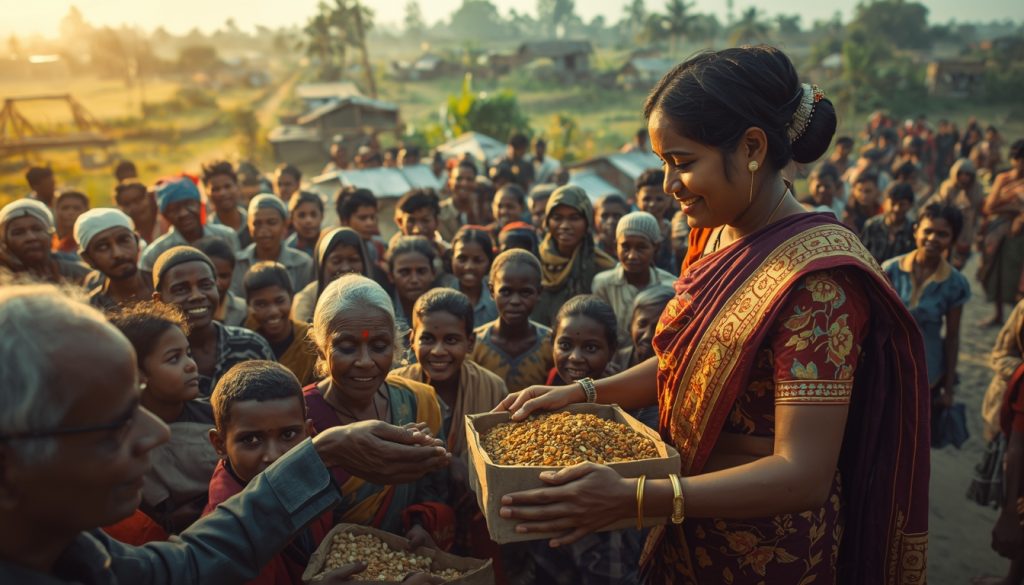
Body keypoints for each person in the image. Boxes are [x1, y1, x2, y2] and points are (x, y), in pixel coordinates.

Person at [495, 47, 929, 585]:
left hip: (767, 551)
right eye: (662, 164)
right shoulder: (714, 232)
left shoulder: (819, 285)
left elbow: (804, 474)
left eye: (682, 162)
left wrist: (634, 497)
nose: (668, 185)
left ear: (751, 147)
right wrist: (585, 393)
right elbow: (692, 364)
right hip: (684, 520)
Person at [0, 281, 450, 584]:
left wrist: (323, 451)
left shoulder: (79, 549)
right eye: (117, 421)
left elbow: (193, 564)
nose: (156, 433)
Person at [303, 275, 453, 549]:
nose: (364, 361)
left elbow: (436, 484)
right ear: (322, 348)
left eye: (379, 346)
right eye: (347, 347)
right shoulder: (300, 417)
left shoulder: (418, 401)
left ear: (395, 346)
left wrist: (422, 523)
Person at [536, 294, 642, 584]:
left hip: (609, 528)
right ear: (552, 343)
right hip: (555, 524)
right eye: (566, 345)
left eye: (591, 348)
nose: (576, 358)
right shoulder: (547, 390)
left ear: (612, 351)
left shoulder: (625, 399)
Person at [203, 360, 333, 585]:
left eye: (289, 435)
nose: (273, 456)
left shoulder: (310, 474)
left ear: (309, 432)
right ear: (220, 445)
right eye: (251, 440)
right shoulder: (226, 537)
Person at [108, 301, 217, 534]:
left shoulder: (214, 417)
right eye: (173, 359)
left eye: (188, 354)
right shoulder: (124, 443)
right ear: (137, 373)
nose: (190, 365)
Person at [883, 204, 970, 424]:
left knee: (914, 435)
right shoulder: (891, 269)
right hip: (887, 366)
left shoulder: (955, 283)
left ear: (952, 239)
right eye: (928, 231)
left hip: (927, 372)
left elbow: (952, 337)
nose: (932, 238)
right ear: (916, 231)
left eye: (942, 234)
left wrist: (948, 388)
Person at [152, 246, 275, 397]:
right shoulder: (154, 358)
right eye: (181, 289)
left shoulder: (252, 346)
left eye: (205, 285)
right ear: (159, 301)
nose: (197, 296)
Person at [471, 249, 554, 393]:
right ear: (492, 291)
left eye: (525, 292)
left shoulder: (552, 344)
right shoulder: (473, 344)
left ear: (539, 292)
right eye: (506, 292)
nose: (515, 301)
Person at [533, 185, 617, 326]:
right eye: (557, 218)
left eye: (574, 218)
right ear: (547, 221)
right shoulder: (533, 262)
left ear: (587, 222)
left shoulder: (604, 268)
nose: (565, 225)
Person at [592, 211, 676, 345]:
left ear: (656, 247)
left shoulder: (670, 286)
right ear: (615, 247)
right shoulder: (603, 284)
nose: (632, 256)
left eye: (641, 247)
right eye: (625, 247)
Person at [139, 177, 240, 277]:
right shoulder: (154, 254)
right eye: (174, 209)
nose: (183, 213)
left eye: (189, 204)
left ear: (199, 204)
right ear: (165, 215)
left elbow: (236, 278)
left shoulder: (227, 236)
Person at [243, 262, 318, 386]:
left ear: (291, 297)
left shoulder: (310, 340)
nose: (273, 311)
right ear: (249, 305)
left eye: (279, 301)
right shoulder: (243, 342)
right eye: (262, 304)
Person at [230, 194, 314, 297]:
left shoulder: (302, 264)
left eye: (272, 222)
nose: (264, 230)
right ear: (249, 226)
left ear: (285, 225)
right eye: (257, 223)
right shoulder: (238, 263)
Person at [979, 140, 1024, 326]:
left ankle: (1017, 319)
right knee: (993, 270)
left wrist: (1018, 215)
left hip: (1019, 235)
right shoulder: (1003, 178)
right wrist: (1015, 208)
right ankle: (998, 315)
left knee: (1016, 274)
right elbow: (990, 207)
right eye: (1017, 158)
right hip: (997, 231)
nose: (1019, 163)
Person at [74, 208, 152, 310]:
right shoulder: (91, 309)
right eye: (102, 247)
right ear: (88, 259)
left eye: (124, 240)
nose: (117, 253)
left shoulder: (168, 286)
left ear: (137, 242)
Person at [0, 199, 90, 285]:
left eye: (37, 229)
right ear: (4, 241)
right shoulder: (3, 280)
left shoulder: (81, 275)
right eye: (18, 232)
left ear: (51, 235)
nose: (31, 237)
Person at [291, 227, 370, 324]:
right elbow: (302, 335)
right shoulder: (307, 299)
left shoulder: (375, 295)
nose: (345, 268)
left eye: (353, 260)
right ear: (323, 264)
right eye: (336, 261)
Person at [926, 157, 985, 269]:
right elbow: (941, 204)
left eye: (967, 174)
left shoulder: (976, 189)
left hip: (966, 226)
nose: (964, 177)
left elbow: (978, 209)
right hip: (949, 223)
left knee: (959, 259)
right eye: (961, 173)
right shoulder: (948, 186)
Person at [610, 284, 675, 384]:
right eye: (642, 324)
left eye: (658, 327)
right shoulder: (614, 360)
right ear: (630, 325)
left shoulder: (674, 370)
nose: (647, 335)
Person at [387, 236, 443, 336]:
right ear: (391, 276)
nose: (414, 280)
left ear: (433, 273)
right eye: (404, 272)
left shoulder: (445, 311)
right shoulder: (383, 311)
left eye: (421, 271)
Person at [194, 237, 248, 327]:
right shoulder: (184, 310)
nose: (217, 283)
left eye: (224, 276)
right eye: (210, 276)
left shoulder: (243, 311)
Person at [451, 227, 498, 328]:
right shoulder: (439, 295)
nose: (469, 267)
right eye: (462, 259)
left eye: (478, 260)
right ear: (452, 258)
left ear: (489, 262)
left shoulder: (498, 299)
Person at [859, 183, 917, 264]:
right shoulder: (872, 225)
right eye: (893, 203)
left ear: (910, 205)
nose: (896, 209)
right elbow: (861, 254)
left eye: (902, 204)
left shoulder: (914, 230)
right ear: (885, 202)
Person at [336, 187, 386, 274]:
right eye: (363, 218)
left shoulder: (378, 248)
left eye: (372, 217)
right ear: (345, 221)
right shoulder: (334, 250)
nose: (370, 223)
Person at [202, 161, 251, 247]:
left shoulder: (254, 223)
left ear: (238, 187)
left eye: (227, 186)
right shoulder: (206, 232)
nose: (222, 193)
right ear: (207, 193)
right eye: (216, 189)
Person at [636, 169, 676, 272]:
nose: (652, 204)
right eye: (647, 199)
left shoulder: (674, 233)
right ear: (637, 198)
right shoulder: (630, 231)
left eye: (659, 199)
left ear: (670, 199)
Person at [394, 188, 450, 260]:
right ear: (400, 222)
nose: (417, 229)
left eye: (425, 221)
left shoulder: (449, 256)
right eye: (411, 221)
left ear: (437, 222)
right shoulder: (389, 257)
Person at [439, 160, 486, 241]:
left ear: (475, 182)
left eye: (469, 179)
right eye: (459, 179)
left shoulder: (483, 209)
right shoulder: (439, 212)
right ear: (450, 181)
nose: (464, 183)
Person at [115, 180, 164, 245]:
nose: (134, 207)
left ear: (148, 196)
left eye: (137, 200)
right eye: (127, 204)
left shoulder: (167, 222)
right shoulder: (125, 236)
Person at [285, 191, 323, 258]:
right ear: (292, 218)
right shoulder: (287, 250)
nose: (308, 220)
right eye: (302, 215)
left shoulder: (330, 245)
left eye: (313, 215)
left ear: (322, 216)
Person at [52, 190, 89, 258]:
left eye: (76, 208)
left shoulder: (90, 244)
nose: (70, 212)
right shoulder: (48, 242)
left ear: (86, 211)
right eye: (65, 208)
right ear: (56, 210)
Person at [593, 194, 629, 261]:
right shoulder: (588, 250)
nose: (611, 221)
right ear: (595, 218)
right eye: (604, 216)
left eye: (617, 216)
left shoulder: (633, 252)